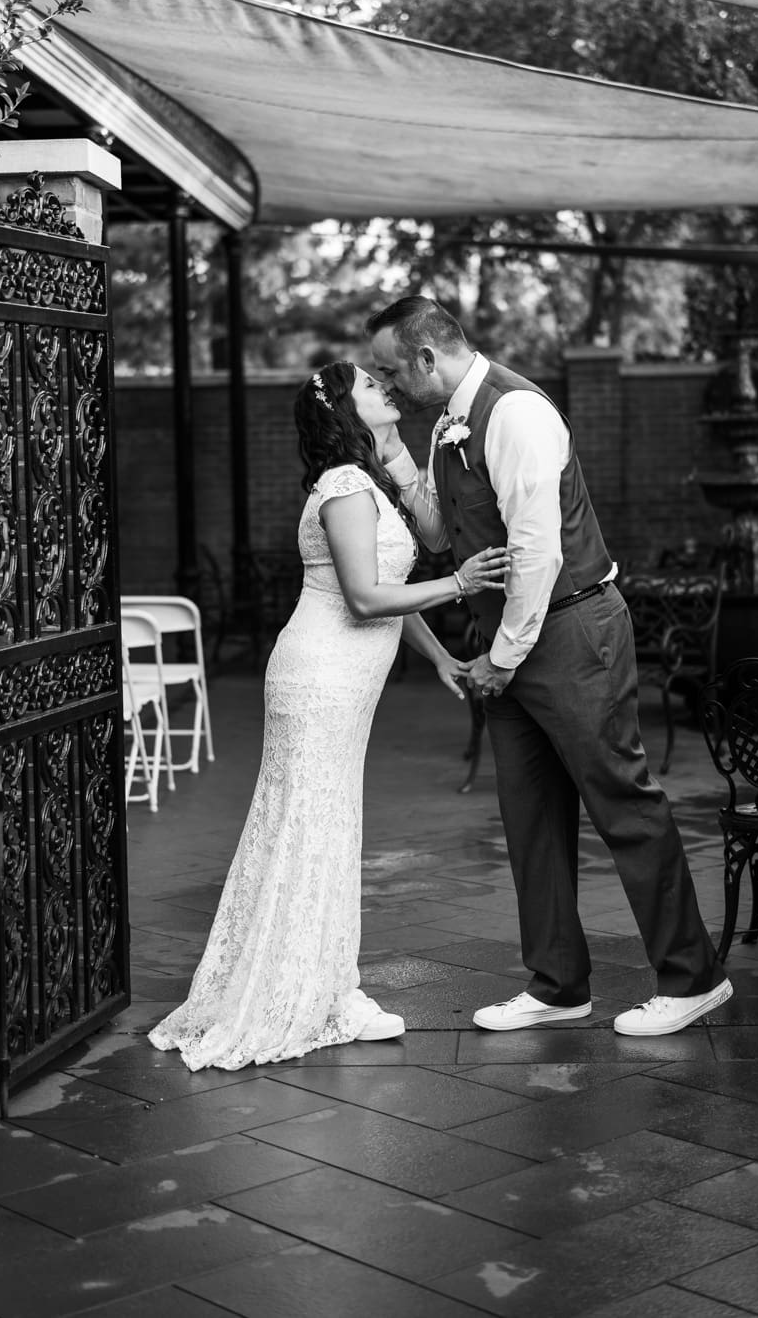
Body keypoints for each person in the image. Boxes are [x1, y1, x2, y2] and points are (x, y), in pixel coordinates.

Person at [367, 296, 732, 1037]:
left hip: (570, 631)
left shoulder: (518, 414)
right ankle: (559, 984)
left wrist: (500, 659)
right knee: (530, 816)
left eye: (389, 369)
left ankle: (694, 978)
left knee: (622, 802)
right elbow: (442, 537)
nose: (386, 383)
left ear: (427, 358)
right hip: (513, 639)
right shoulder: (444, 424)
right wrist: (397, 457)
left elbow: (539, 552)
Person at [149, 360, 509, 1070]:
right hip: (319, 676)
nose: (388, 390)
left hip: (341, 677)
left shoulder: (364, 479)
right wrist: (461, 583)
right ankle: (306, 995)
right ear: (346, 409)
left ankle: (328, 987)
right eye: (373, 387)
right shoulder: (344, 488)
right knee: (311, 827)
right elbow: (366, 600)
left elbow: (408, 566)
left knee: (326, 825)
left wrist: (437, 656)